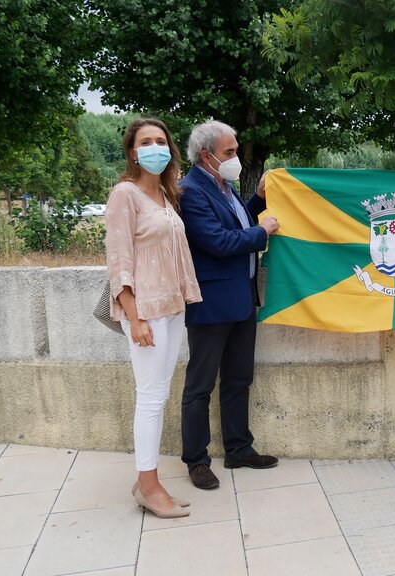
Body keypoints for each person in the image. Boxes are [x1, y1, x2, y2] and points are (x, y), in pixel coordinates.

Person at [105, 118, 200, 518]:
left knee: (159, 393)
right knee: (149, 398)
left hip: (172, 307)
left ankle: (150, 482)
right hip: (145, 311)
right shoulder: (124, 195)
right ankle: (148, 486)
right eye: (147, 142)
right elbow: (119, 258)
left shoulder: (166, 194)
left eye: (161, 141)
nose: (155, 147)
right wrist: (135, 317)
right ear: (132, 152)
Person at [178, 120, 280, 490]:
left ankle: (239, 449)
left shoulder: (225, 187)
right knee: (200, 385)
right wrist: (262, 232)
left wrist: (261, 199)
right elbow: (219, 241)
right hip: (210, 304)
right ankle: (197, 461)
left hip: (240, 299)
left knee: (239, 379)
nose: (236, 157)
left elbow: (238, 221)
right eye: (230, 152)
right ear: (206, 156)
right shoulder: (190, 192)